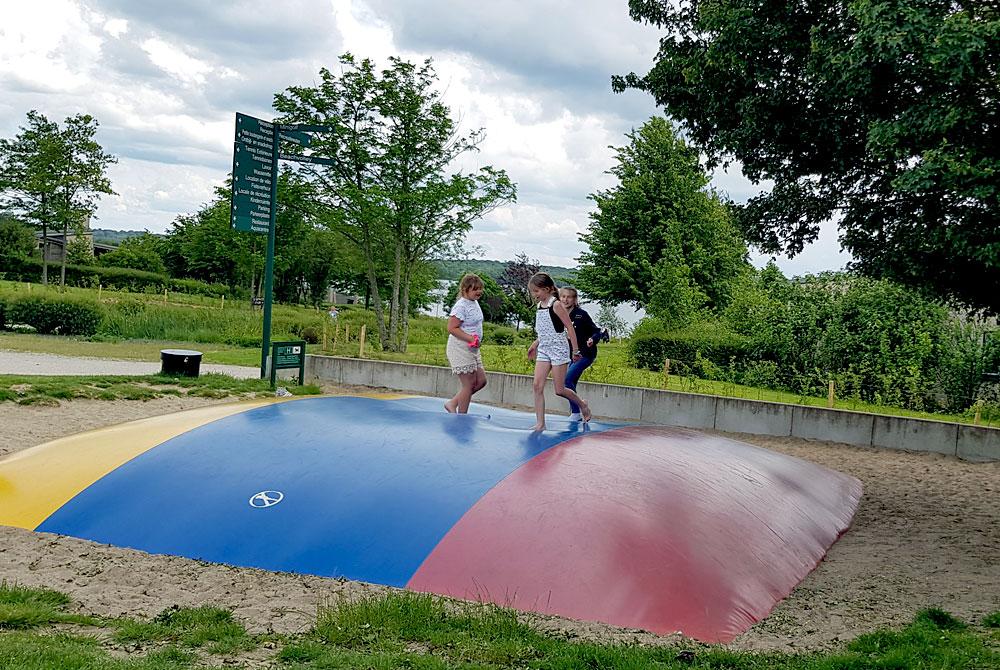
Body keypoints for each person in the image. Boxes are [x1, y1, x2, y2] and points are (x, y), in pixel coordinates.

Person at [526, 272, 591, 431]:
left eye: (537, 291)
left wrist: (575, 350)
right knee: (537, 385)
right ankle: (541, 423)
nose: (534, 294)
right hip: (544, 349)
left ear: (547, 289)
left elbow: (569, 327)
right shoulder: (539, 306)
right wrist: (534, 345)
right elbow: (544, 331)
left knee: (559, 390)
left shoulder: (555, 304)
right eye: (533, 291)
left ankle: (582, 405)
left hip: (558, 349)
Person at [444, 273, 487, 414]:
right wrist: (470, 338)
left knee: (481, 381)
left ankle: (453, 403)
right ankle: (462, 416)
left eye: (480, 288)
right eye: (475, 289)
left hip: (473, 348)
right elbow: (451, 328)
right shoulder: (461, 306)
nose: (479, 291)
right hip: (460, 347)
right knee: (468, 385)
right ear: (465, 290)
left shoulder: (473, 302)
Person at [559, 286, 602, 421]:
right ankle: (577, 410)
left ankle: (577, 412)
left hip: (585, 353)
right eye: (563, 296)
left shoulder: (581, 315)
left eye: (569, 297)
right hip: (570, 354)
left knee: (567, 380)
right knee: (570, 383)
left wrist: (593, 339)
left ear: (574, 299)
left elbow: (597, 331)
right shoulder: (558, 313)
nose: (565, 300)